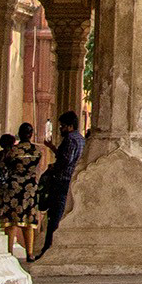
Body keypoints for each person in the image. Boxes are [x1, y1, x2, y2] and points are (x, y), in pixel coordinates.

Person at [34, 110, 85, 258]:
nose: (61, 129)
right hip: (71, 180)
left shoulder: (70, 139)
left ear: (69, 126)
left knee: (55, 215)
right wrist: (52, 148)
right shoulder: (80, 138)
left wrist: (53, 167)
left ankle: (48, 248)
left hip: (62, 180)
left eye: (62, 126)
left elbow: (66, 160)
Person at [0, 123, 40, 260]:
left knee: (11, 221)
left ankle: (9, 252)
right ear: (31, 134)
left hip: (13, 188)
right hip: (30, 188)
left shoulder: (13, 151)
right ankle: (30, 253)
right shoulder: (37, 150)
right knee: (29, 221)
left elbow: (3, 165)